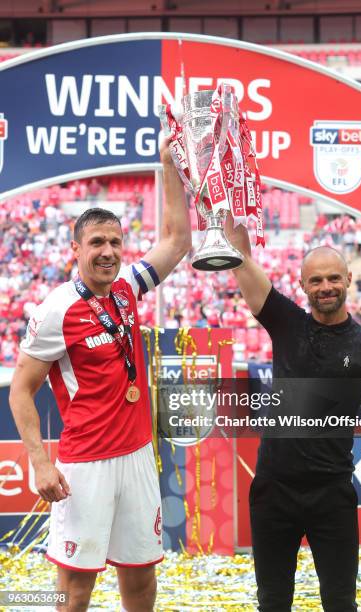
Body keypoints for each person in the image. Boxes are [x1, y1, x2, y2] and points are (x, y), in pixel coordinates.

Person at [9, 140, 191, 612]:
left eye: (115, 242)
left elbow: (176, 242)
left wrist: (169, 166)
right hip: (84, 465)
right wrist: (40, 462)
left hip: (136, 457)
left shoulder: (128, 288)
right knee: (73, 592)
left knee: (141, 582)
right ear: (75, 249)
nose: (108, 252)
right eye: (97, 243)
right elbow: (21, 391)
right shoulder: (56, 310)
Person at [225, 218, 361, 612]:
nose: (326, 287)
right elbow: (241, 261)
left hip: (331, 493)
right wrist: (226, 209)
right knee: (272, 601)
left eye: (333, 279)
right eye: (316, 281)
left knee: (340, 602)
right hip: (273, 491)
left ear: (349, 279)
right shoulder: (286, 323)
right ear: (302, 285)